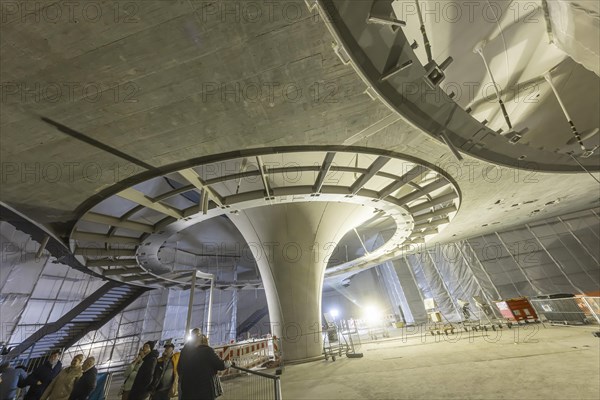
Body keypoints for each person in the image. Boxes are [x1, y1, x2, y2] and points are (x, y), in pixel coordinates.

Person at [177, 334, 230, 400]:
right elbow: (220, 365)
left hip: (189, 390)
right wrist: (229, 363)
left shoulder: (189, 353)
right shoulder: (208, 351)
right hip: (205, 390)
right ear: (205, 342)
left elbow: (180, 368)